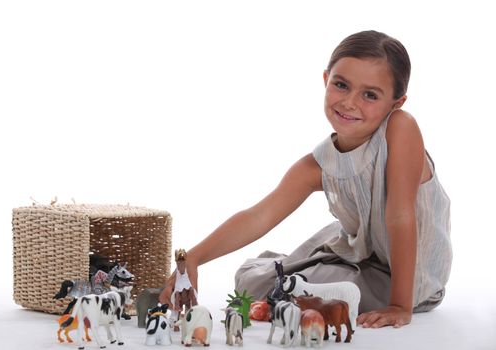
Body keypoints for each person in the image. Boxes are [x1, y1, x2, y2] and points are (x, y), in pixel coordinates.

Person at [159, 30, 452, 329]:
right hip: (364, 254)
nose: (350, 102)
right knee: (253, 282)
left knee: (298, 293)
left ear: (396, 103)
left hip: (409, 275)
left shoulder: (400, 128)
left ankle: (339, 282)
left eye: (370, 95)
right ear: (326, 80)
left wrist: (400, 306)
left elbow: (400, 215)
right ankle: (315, 274)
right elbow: (259, 216)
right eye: (341, 85)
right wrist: (192, 258)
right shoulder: (318, 164)